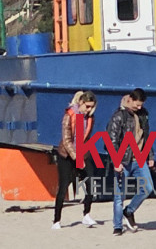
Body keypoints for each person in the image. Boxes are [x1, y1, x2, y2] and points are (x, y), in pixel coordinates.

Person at [108, 88, 153, 236]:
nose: (139, 107)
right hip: (123, 160)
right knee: (119, 195)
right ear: (130, 100)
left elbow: (146, 136)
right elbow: (111, 140)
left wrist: (150, 156)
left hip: (139, 158)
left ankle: (129, 211)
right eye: (137, 104)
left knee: (148, 188)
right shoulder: (119, 116)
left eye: (141, 105)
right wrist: (116, 161)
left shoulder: (143, 114)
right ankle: (117, 226)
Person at [53, 91, 99, 230]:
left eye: (92, 107)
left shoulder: (89, 118)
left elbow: (86, 138)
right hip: (66, 155)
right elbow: (67, 141)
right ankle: (56, 220)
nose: (89, 109)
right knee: (63, 186)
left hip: (82, 152)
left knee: (91, 182)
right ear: (81, 103)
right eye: (87, 106)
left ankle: (86, 214)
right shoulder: (70, 115)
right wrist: (76, 157)